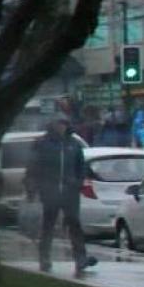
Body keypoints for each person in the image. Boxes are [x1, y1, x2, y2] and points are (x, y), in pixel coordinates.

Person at [26, 118, 97, 275]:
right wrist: (33, 188)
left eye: (63, 125)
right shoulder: (43, 144)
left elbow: (81, 166)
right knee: (48, 226)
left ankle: (80, 258)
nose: (60, 128)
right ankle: (44, 258)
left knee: (74, 224)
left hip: (70, 192)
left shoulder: (73, 144)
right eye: (58, 125)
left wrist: (78, 182)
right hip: (49, 191)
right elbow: (33, 167)